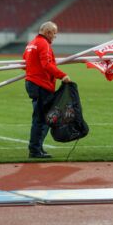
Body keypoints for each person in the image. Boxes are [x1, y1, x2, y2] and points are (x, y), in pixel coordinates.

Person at [23, 21, 71, 159]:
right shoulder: (44, 44)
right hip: (40, 85)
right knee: (42, 119)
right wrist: (62, 75)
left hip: (32, 83)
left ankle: (37, 148)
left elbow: (25, 62)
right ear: (48, 32)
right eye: (54, 34)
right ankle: (35, 150)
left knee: (42, 118)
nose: (54, 37)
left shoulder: (31, 43)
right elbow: (46, 64)